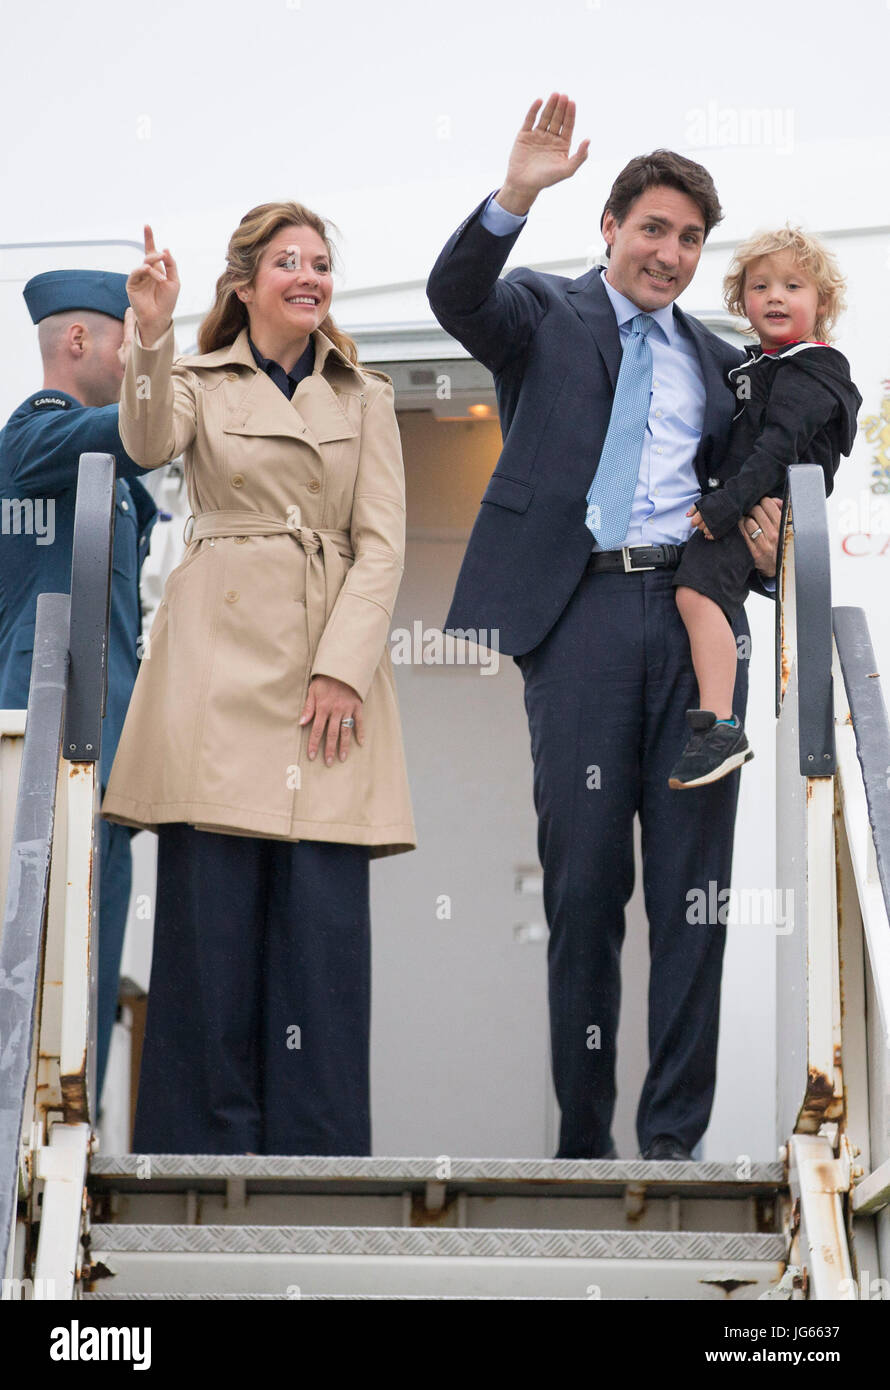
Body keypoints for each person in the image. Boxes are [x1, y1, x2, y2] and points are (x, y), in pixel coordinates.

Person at [427, 94, 782, 1162]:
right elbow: (457, 295)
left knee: (693, 896)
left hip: (691, 625)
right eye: (651, 230)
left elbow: (764, 471)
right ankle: (583, 1140)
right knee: (584, 889)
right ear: (610, 230)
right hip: (577, 616)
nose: (667, 254)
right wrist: (515, 193)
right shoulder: (541, 311)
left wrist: (768, 534)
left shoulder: (723, 363)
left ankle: (671, 1138)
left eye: (687, 239)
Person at [100, 208, 416, 1155]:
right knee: (211, 927)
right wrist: (150, 333)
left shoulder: (366, 396)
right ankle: (200, 1151)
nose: (311, 276)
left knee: (320, 931)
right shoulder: (192, 377)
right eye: (290, 263)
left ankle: (317, 1157)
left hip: (330, 679)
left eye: (322, 263)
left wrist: (341, 670)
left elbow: (384, 546)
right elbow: (150, 443)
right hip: (216, 676)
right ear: (244, 283)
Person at [0, 270, 158, 1102]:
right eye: (129, 338)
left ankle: (79, 1127)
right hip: (46, 763)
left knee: (88, 965)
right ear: (77, 342)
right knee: (39, 960)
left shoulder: (111, 473)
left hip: (102, 765)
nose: (137, 359)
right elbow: (138, 434)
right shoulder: (38, 432)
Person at [668, 227, 861, 788]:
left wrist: (725, 506)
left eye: (793, 286)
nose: (775, 296)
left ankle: (721, 727)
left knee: (695, 591)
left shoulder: (814, 367)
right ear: (742, 303)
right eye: (760, 286)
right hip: (749, 504)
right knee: (700, 595)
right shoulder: (759, 365)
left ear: (820, 304)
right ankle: (718, 720)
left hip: (763, 505)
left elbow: (779, 447)